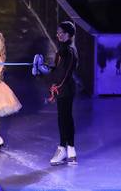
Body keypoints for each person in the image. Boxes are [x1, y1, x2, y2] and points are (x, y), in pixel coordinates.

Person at [46, 21, 78, 166]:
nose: (59, 35)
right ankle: (67, 149)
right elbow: (57, 69)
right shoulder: (64, 49)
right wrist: (45, 70)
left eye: (62, 33)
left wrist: (56, 85)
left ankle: (66, 148)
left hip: (65, 88)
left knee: (65, 118)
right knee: (64, 117)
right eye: (58, 32)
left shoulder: (68, 50)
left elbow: (64, 72)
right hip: (63, 88)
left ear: (69, 34)